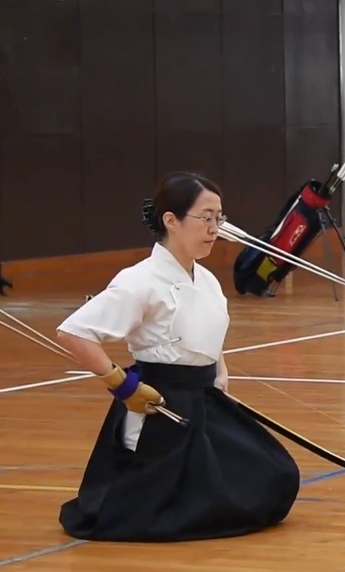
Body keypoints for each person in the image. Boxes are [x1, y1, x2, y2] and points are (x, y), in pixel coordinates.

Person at [56, 172, 300, 542]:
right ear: (171, 220)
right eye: (206, 217)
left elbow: (211, 343)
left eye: (219, 218)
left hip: (207, 402)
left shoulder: (206, 280)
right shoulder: (138, 280)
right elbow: (73, 332)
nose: (215, 228)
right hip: (159, 406)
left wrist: (222, 386)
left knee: (276, 475)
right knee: (189, 506)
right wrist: (122, 385)